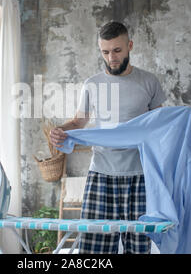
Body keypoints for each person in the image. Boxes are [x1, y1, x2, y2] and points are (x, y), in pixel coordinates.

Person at [50, 21, 167, 254]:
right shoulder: (92, 84)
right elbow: (78, 122)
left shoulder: (149, 81)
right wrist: (59, 130)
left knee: (137, 248)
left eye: (117, 50)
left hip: (140, 176)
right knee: (94, 249)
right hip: (101, 174)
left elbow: (160, 126)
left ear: (130, 46)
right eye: (105, 52)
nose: (111, 58)